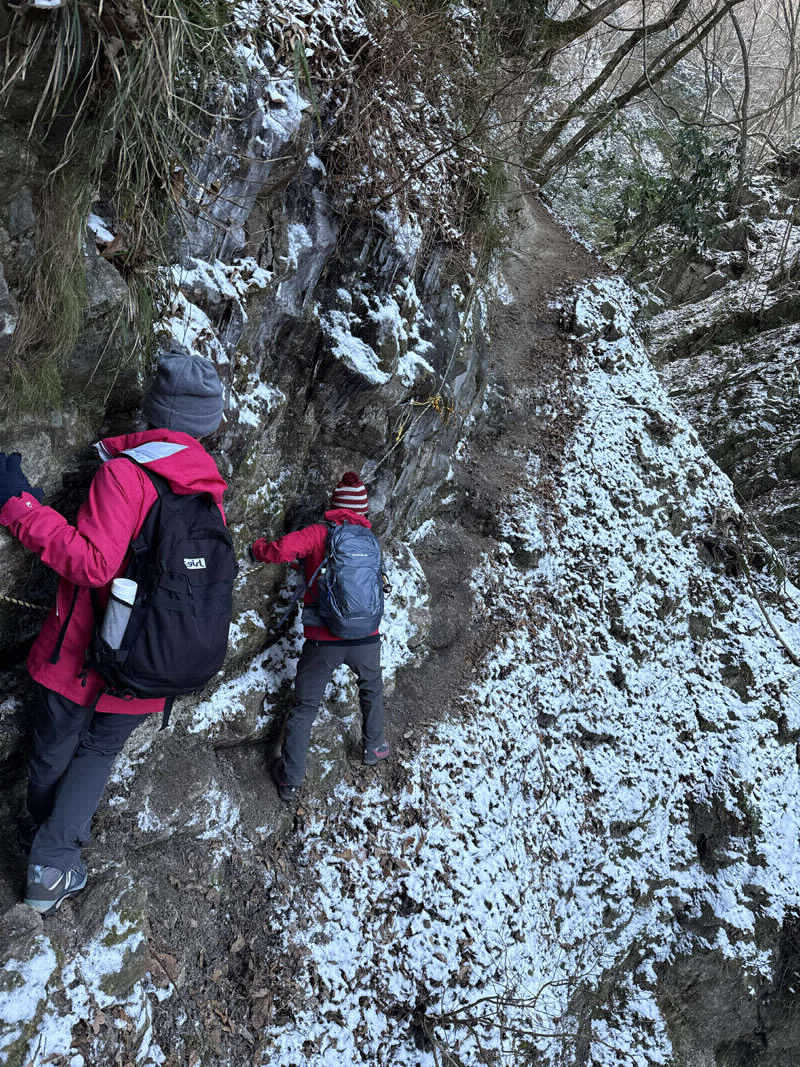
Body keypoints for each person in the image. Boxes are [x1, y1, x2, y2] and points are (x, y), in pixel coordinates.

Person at [0, 349, 227, 913]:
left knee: (53, 753)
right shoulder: (208, 494)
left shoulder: (127, 474)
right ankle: (53, 857)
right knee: (96, 756)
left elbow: (93, 564)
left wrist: (16, 504)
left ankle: (46, 861)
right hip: (150, 664)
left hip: (81, 658)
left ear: (154, 411)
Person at [251, 472, 390, 801]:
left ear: (335, 505)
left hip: (324, 639)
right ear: (363, 511)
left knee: (305, 706)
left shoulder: (319, 534)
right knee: (371, 689)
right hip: (367, 637)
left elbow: (282, 550)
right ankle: (374, 747)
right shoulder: (370, 541)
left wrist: (258, 549)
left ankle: (291, 779)